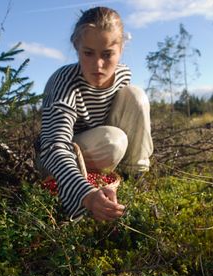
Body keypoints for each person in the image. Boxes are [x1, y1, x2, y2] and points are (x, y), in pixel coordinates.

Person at [39, 6, 153, 222]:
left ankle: (134, 181)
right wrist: (86, 194)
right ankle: (88, 191)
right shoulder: (65, 81)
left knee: (136, 96)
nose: (98, 65)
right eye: (88, 53)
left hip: (102, 152)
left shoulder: (123, 76)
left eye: (108, 54)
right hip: (58, 160)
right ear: (76, 47)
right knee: (113, 141)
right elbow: (54, 146)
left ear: (121, 49)